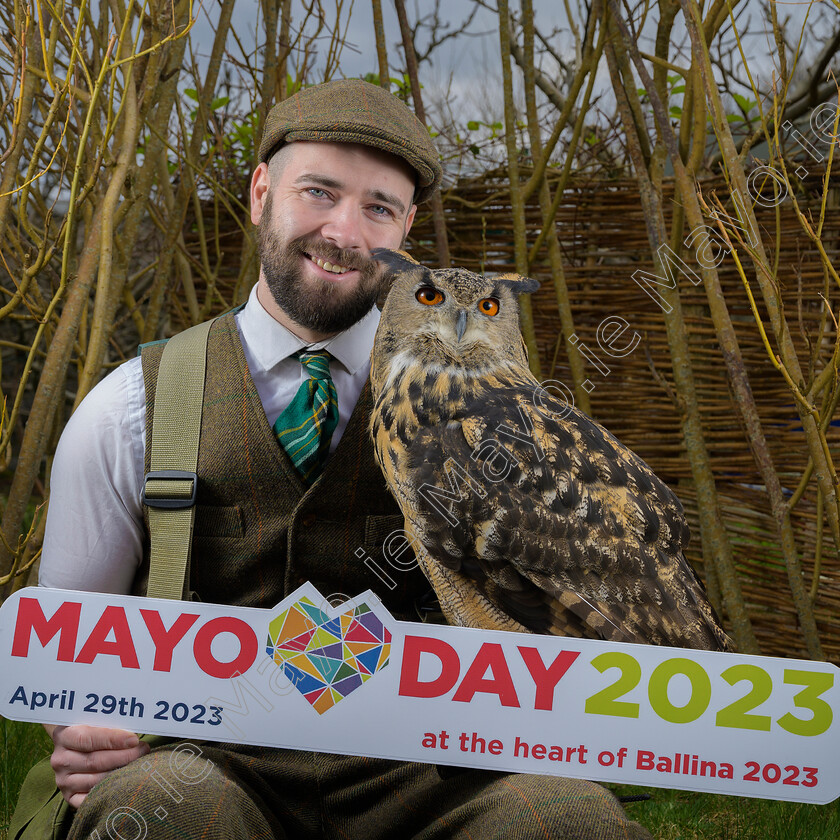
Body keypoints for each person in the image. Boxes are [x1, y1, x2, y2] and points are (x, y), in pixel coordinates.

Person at [11, 79, 652, 840]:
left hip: (432, 771)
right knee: (168, 812)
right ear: (260, 193)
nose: (345, 231)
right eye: (319, 192)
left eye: (378, 207)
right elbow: (67, 642)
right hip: (207, 763)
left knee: (569, 819)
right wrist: (83, 726)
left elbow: (548, 623)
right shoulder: (129, 409)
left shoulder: (486, 421)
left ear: (406, 227)